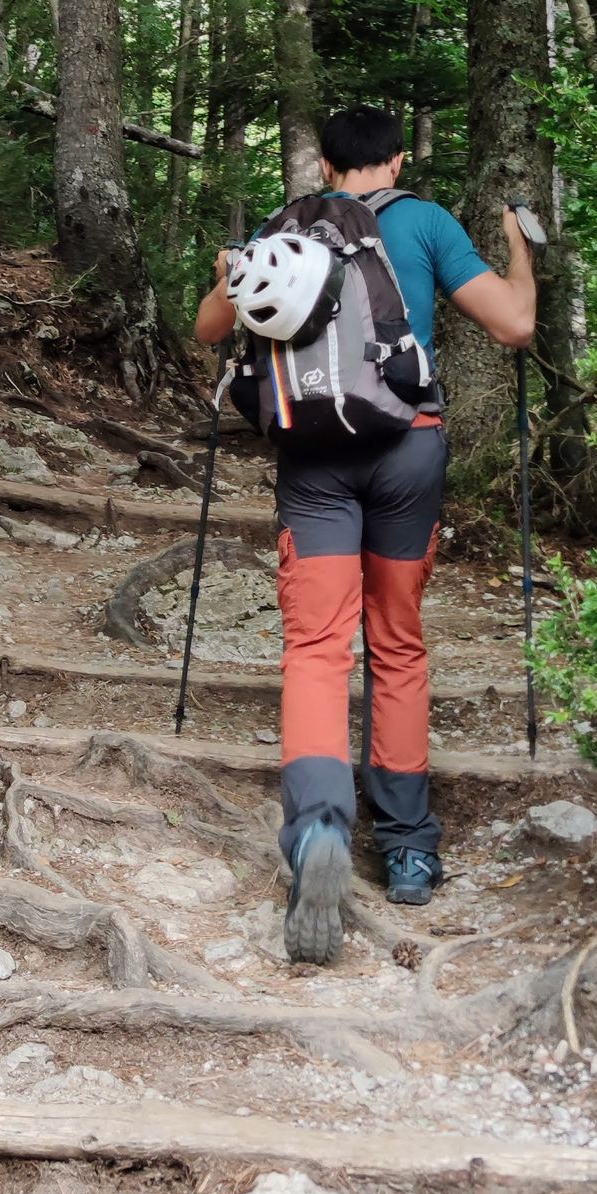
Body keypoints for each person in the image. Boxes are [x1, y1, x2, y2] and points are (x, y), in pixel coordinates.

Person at [194, 105, 535, 962]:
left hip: (312, 460)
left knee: (314, 650)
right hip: (408, 451)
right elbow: (513, 324)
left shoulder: (284, 227)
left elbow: (208, 331)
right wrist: (523, 253)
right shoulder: (424, 221)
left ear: (327, 164)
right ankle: (411, 846)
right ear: (392, 160)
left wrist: (226, 275)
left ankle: (316, 831)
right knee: (397, 644)